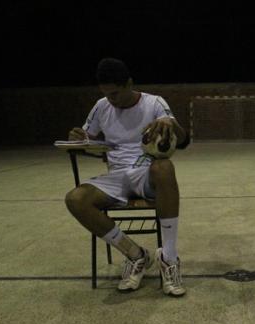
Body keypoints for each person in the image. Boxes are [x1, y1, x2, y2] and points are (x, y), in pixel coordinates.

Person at [65, 58, 190, 296]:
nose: (111, 99)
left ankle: (169, 258)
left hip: (146, 174)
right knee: (75, 199)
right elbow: (86, 141)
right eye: (106, 94)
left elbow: (183, 141)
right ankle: (136, 255)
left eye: (115, 93)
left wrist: (171, 124)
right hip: (116, 176)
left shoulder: (154, 103)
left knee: (164, 167)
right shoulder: (101, 106)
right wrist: (77, 138)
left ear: (129, 84)